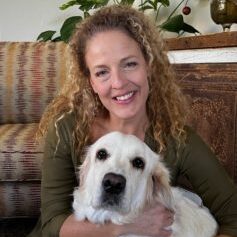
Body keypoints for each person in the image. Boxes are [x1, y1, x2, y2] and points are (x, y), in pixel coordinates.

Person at [28, 4, 237, 237]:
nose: (118, 83)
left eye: (129, 64)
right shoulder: (66, 128)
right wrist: (126, 226)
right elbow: (51, 225)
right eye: (102, 72)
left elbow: (233, 216)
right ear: (91, 83)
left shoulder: (178, 139)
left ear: (148, 65)